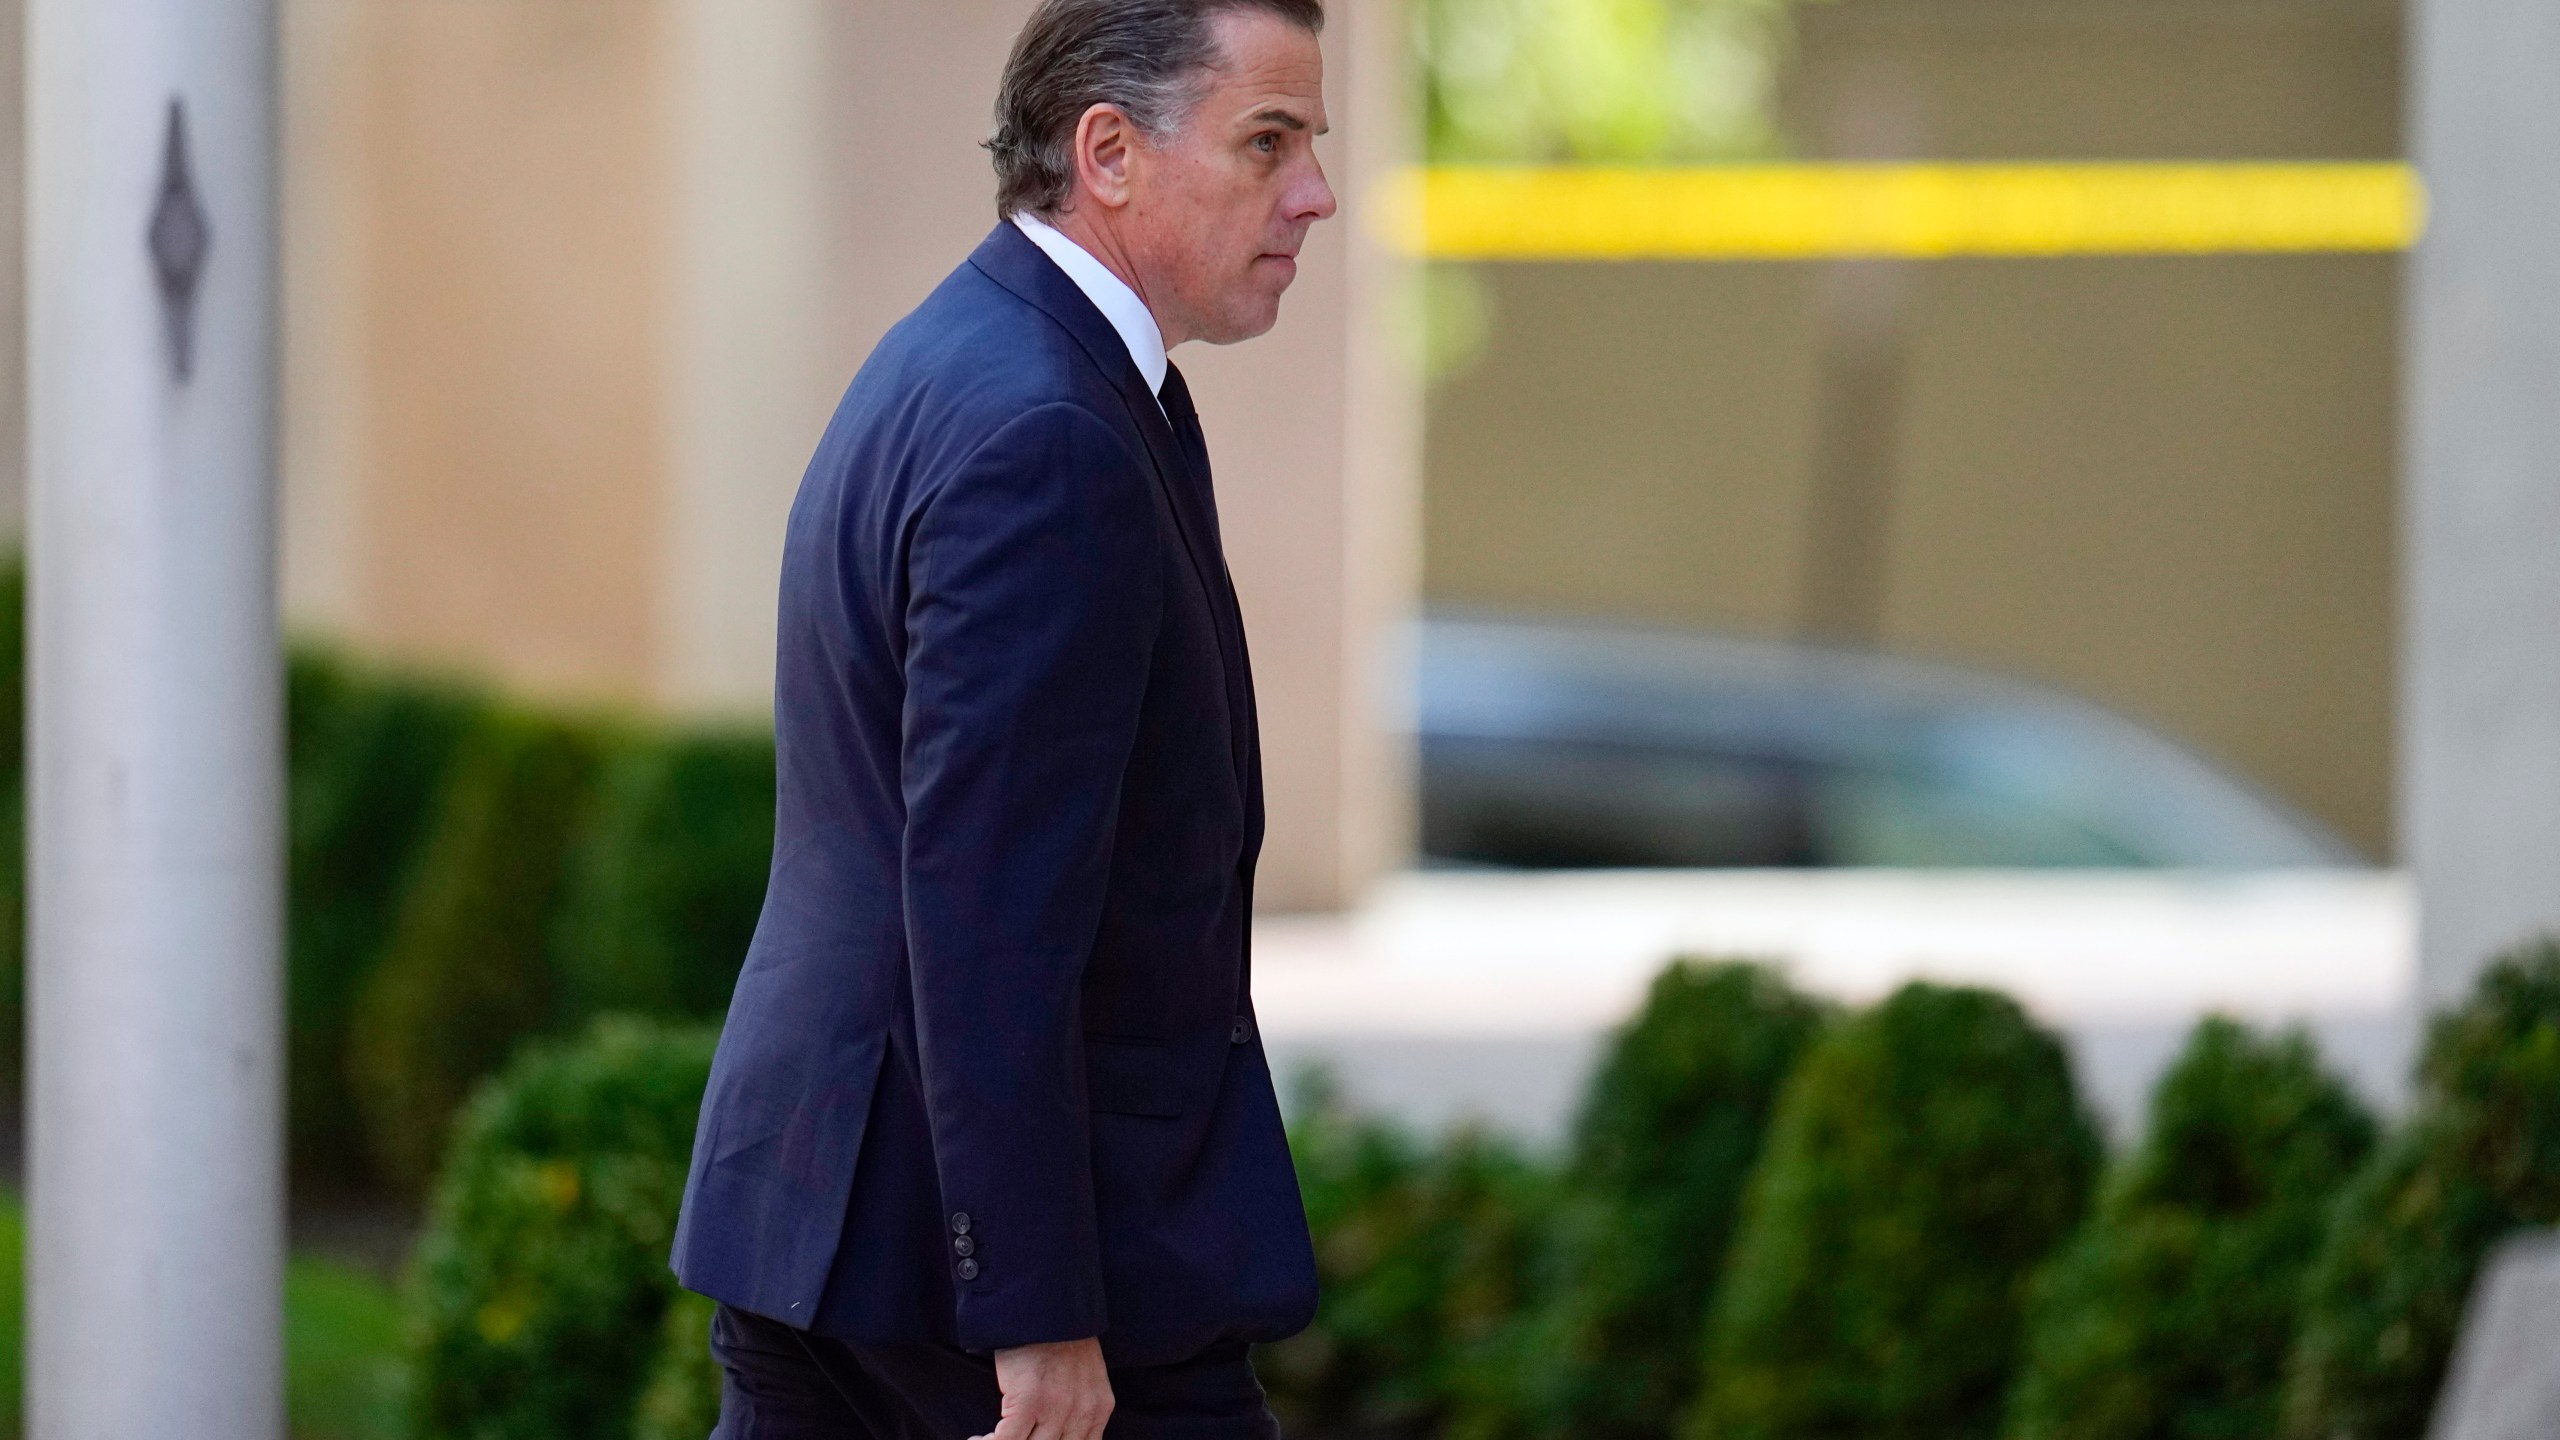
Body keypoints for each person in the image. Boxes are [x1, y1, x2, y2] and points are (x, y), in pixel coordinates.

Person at [668, 2, 1339, 1435]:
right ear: (1110, 152)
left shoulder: (975, 354)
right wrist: (1034, 1308)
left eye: (1311, 145)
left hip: (839, 1217)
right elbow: (987, 908)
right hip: (978, 1274)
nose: (1314, 195)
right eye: (1268, 142)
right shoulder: (1048, 432)